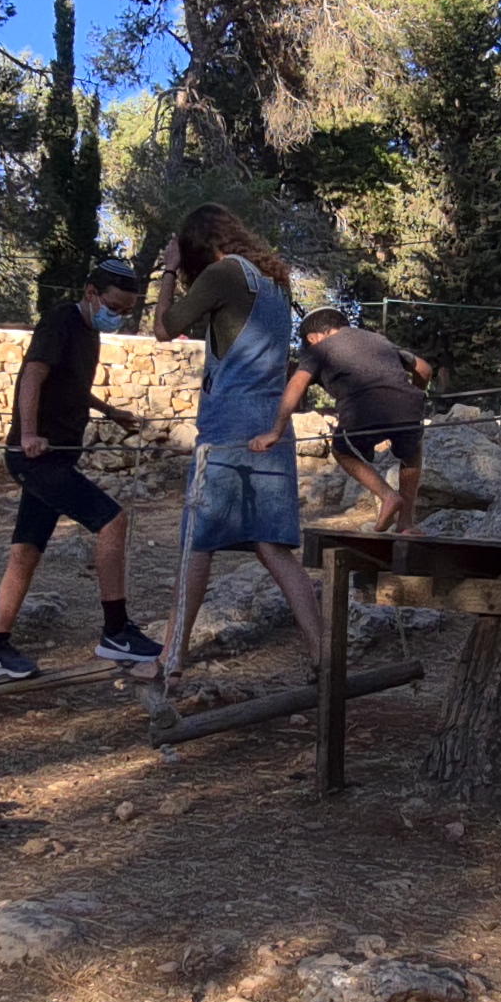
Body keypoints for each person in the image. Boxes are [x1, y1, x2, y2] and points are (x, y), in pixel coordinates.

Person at [153, 204, 330, 679]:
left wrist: (169, 271)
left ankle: (170, 659)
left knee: (197, 543)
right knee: (273, 547)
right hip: (273, 423)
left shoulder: (221, 274)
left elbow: (164, 329)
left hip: (228, 424)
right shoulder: (273, 282)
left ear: (199, 246)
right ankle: (323, 655)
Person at [0, 258, 167, 681]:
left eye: (126, 311)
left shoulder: (89, 332)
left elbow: (73, 387)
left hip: (58, 456)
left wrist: (110, 411)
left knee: (26, 551)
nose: (118, 317)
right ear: (91, 293)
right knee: (112, 521)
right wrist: (29, 434)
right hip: (36, 457)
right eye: (113, 307)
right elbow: (32, 377)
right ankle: (116, 631)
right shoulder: (60, 321)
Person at [279, 307, 434, 530]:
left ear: (312, 338)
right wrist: (415, 395)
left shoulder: (318, 349)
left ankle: (388, 496)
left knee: (342, 450)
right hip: (407, 406)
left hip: (362, 409)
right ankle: (406, 523)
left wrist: (276, 430)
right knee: (411, 453)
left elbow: (296, 385)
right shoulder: (378, 339)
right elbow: (424, 369)